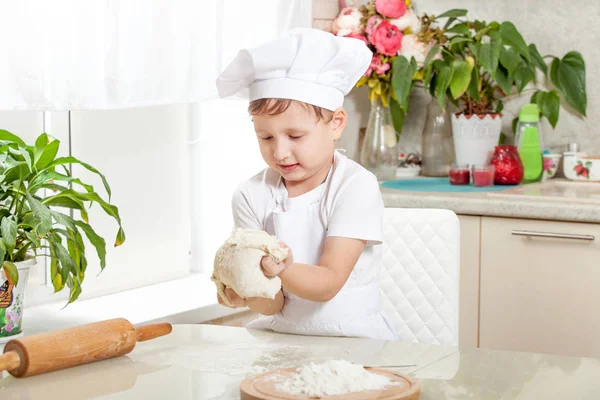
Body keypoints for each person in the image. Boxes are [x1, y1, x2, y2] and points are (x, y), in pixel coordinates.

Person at [214, 28, 397, 341]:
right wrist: (244, 290)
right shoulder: (250, 195)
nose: (280, 152)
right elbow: (273, 304)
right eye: (266, 137)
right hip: (282, 338)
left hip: (355, 339)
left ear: (335, 124)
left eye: (295, 136)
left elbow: (328, 284)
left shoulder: (354, 186)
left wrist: (279, 268)